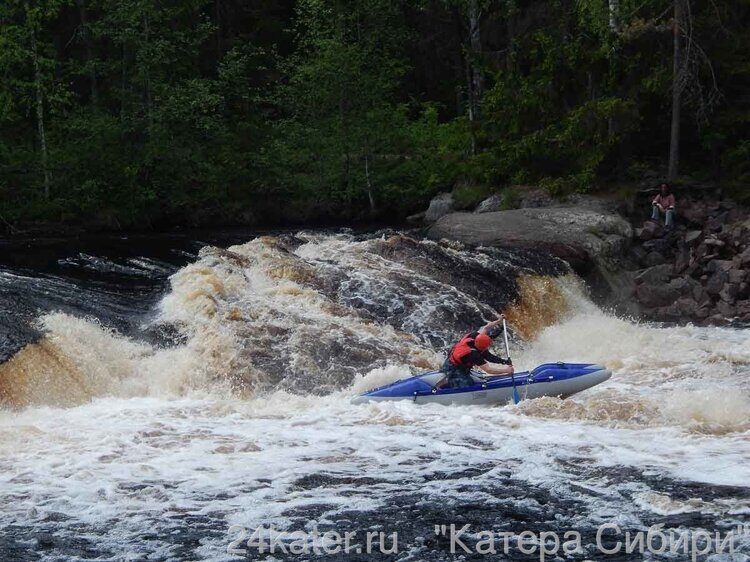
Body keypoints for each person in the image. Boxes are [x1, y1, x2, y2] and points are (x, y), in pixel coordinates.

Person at [441, 315, 514, 388]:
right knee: (468, 384)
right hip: (453, 367)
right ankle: (449, 383)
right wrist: (506, 370)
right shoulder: (473, 354)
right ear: (483, 347)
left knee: (477, 377)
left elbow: (487, 327)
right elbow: (489, 370)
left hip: (460, 361)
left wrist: (499, 321)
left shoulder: (475, 336)